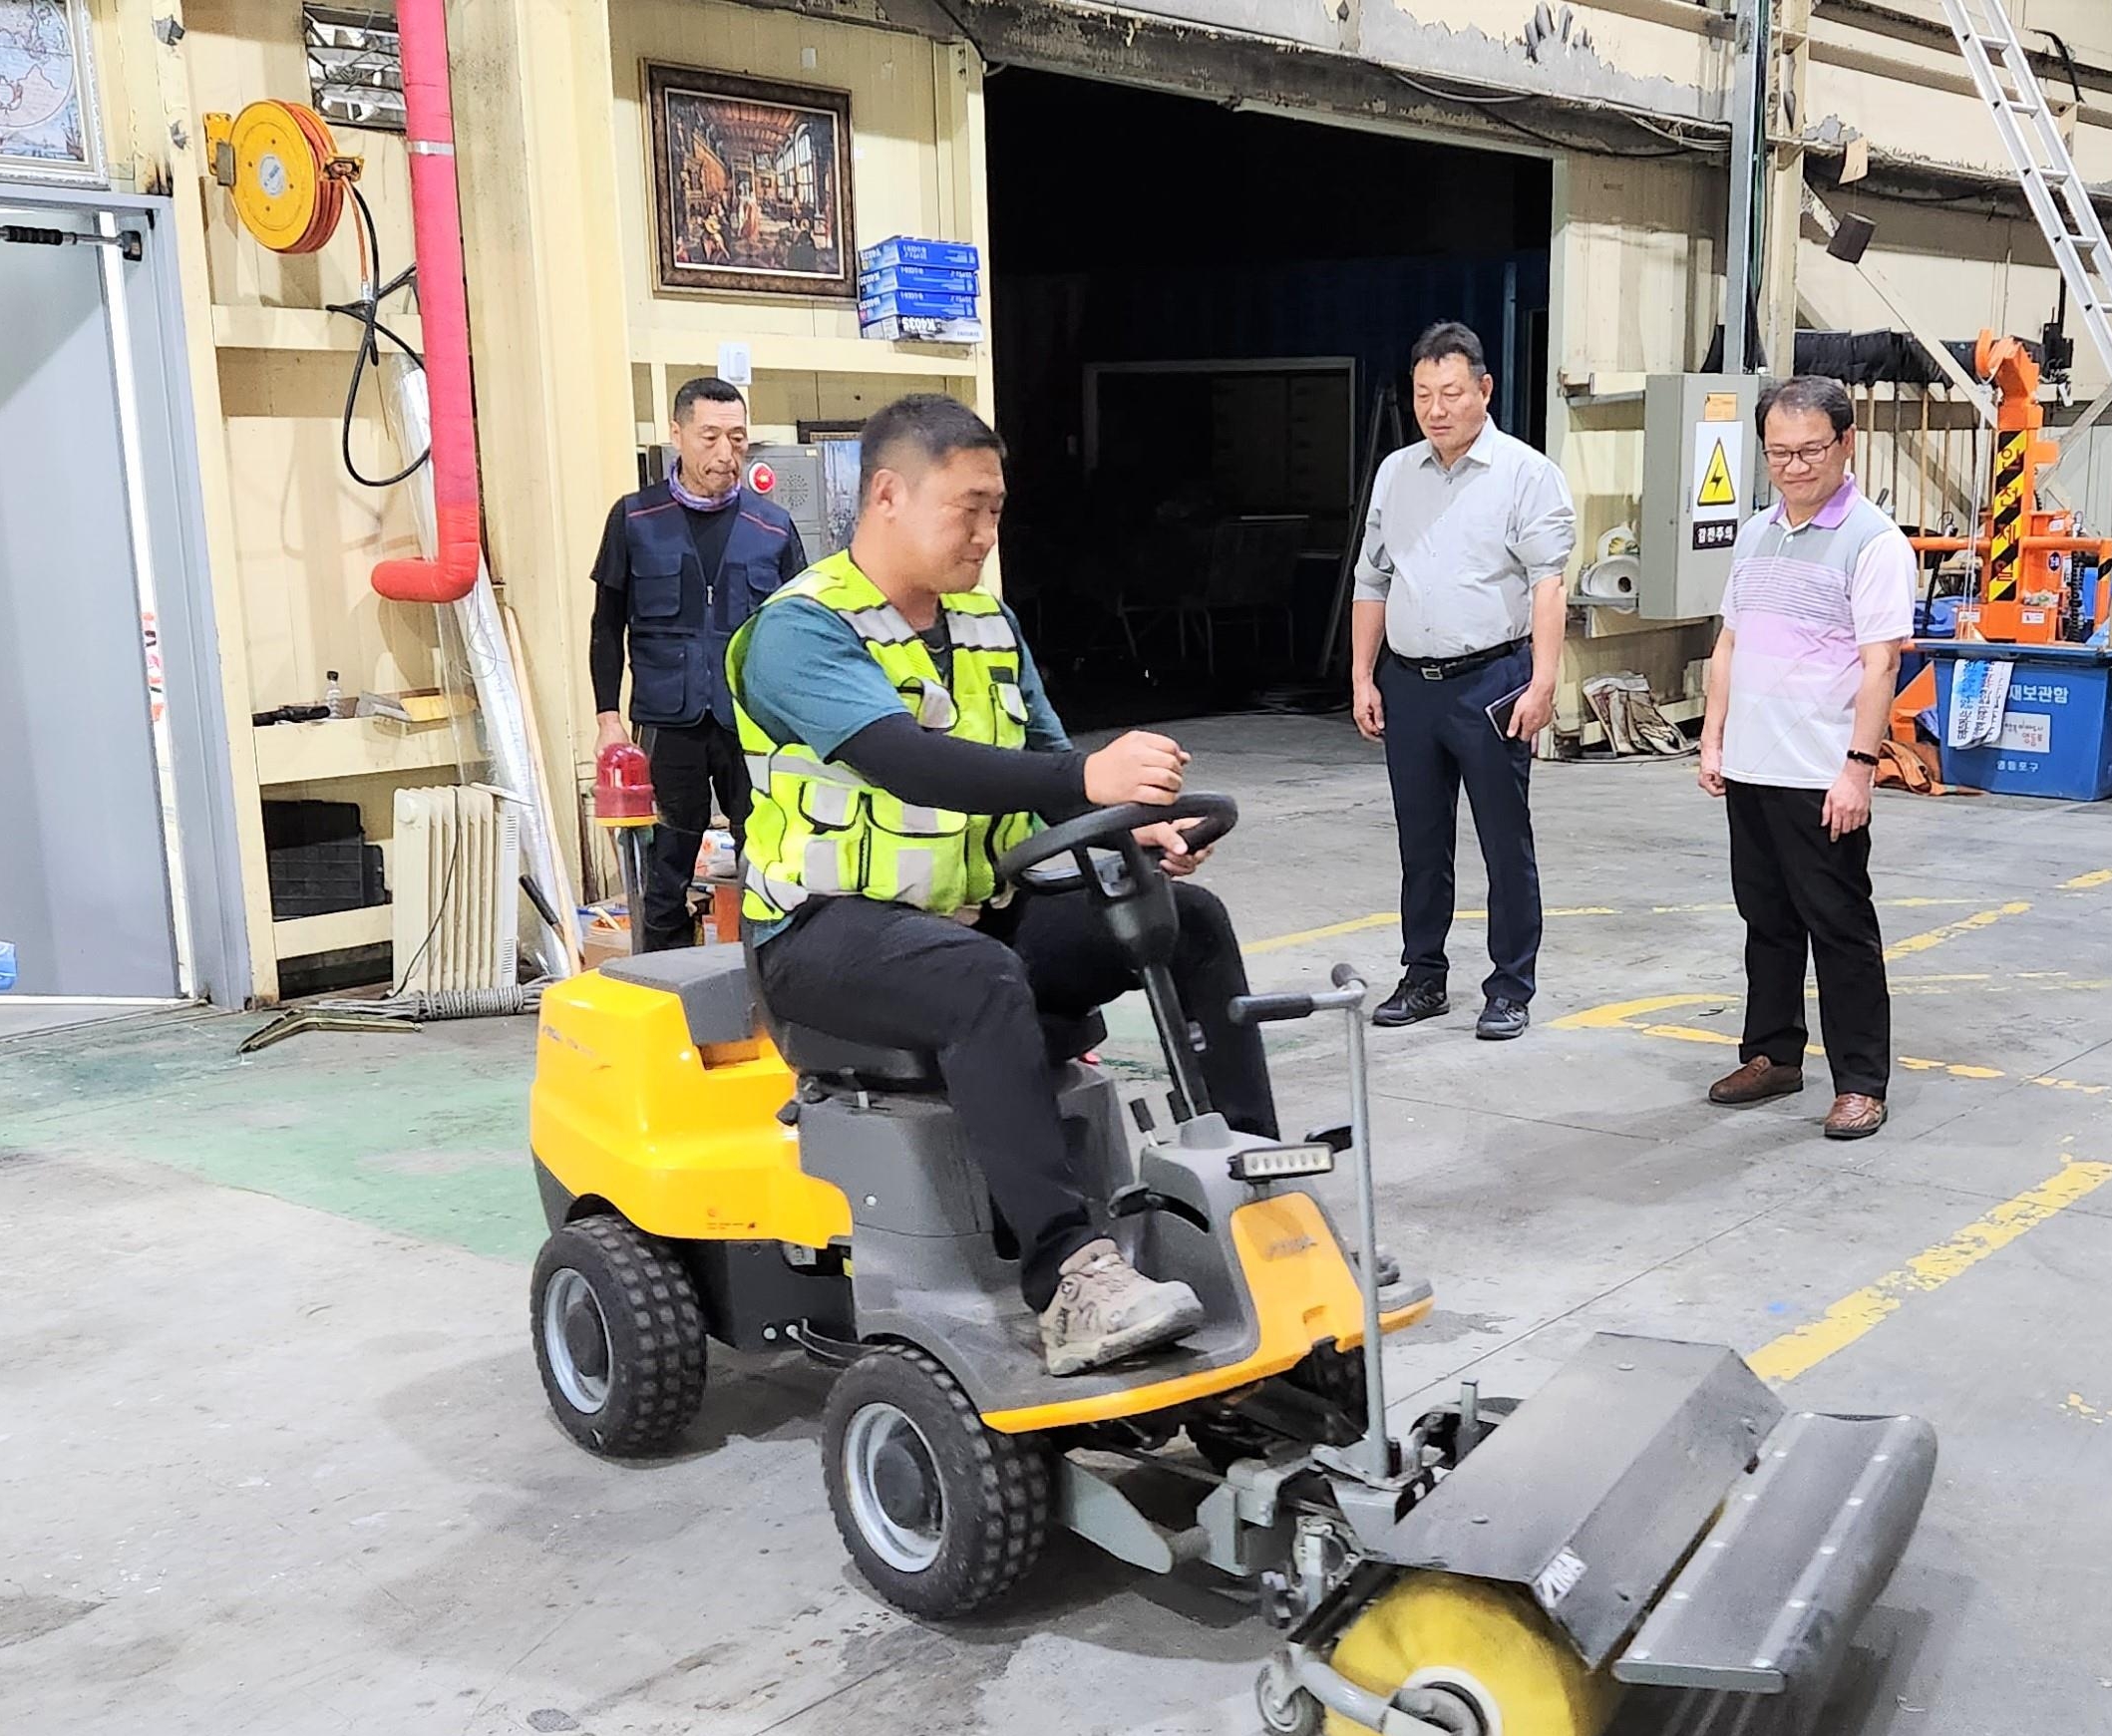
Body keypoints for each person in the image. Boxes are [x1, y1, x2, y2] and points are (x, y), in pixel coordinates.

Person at [729, 394, 1280, 1378]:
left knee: (1183, 921)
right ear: (888, 494)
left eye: (996, 509)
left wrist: (1140, 826)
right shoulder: (801, 630)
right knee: (978, 978)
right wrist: (1086, 778)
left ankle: (1251, 1195)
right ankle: (1071, 1273)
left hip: (974, 915)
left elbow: (1041, 755)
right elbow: (908, 763)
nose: (987, 531)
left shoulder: (984, 622)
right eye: (968, 507)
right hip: (821, 940)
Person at [1697, 375, 1911, 1142]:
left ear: (1846, 444)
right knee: (1767, 921)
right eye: (1778, 452)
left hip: (1821, 776)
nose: (1793, 466)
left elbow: (1880, 663)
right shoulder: (1754, 536)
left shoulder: (1874, 541)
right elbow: (1729, 644)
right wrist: (1714, 734)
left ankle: (1860, 1080)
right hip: (1753, 770)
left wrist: (1859, 765)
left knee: (1840, 927)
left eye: (1810, 450)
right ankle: (1772, 1054)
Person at [1350, 321, 1575, 1041]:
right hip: (1410, 683)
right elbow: (1371, 578)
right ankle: (1423, 977)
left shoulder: (1526, 474)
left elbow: (1549, 584)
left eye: (1451, 392)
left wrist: (1543, 681)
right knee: (1421, 839)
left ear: (1484, 389)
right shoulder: (1396, 473)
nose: (1436, 408)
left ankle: (1510, 984)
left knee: (1504, 840)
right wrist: (1361, 673)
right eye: (1423, 394)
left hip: (1493, 680)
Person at [590, 378, 803, 951]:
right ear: (677, 433)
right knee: (667, 866)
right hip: (668, 721)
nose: (724, 452)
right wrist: (608, 718)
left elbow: (802, 634)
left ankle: (769, 993)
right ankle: (666, 994)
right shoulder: (634, 520)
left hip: (751, 725)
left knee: (767, 864)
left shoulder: (773, 527)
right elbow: (607, 624)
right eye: (709, 436)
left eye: (737, 438)